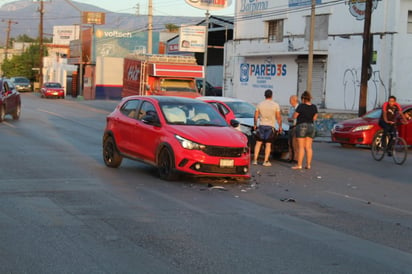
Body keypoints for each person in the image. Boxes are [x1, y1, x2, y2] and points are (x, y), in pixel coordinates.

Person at [252, 89, 282, 166]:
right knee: (268, 144)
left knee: (258, 143)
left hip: (261, 125)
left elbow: (255, 116)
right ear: (271, 95)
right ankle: (265, 161)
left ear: (264, 96)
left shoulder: (260, 104)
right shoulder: (275, 105)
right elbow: (278, 117)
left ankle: (255, 160)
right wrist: (280, 126)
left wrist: (255, 124)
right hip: (270, 126)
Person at [292, 91, 318, 170]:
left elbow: (295, 116)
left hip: (301, 126)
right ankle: (308, 164)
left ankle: (299, 165)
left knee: (301, 147)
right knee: (309, 147)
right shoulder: (314, 107)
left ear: (303, 98)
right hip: (311, 126)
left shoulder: (301, 106)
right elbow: (314, 118)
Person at [287, 95, 299, 163]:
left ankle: (296, 158)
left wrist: (291, 119)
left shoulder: (298, 108)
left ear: (295, 100)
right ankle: (290, 157)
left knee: (295, 144)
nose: (290, 102)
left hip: (296, 126)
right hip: (290, 126)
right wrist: (290, 119)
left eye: (290, 100)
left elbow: (295, 118)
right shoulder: (291, 108)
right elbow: (290, 117)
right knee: (290, 143)